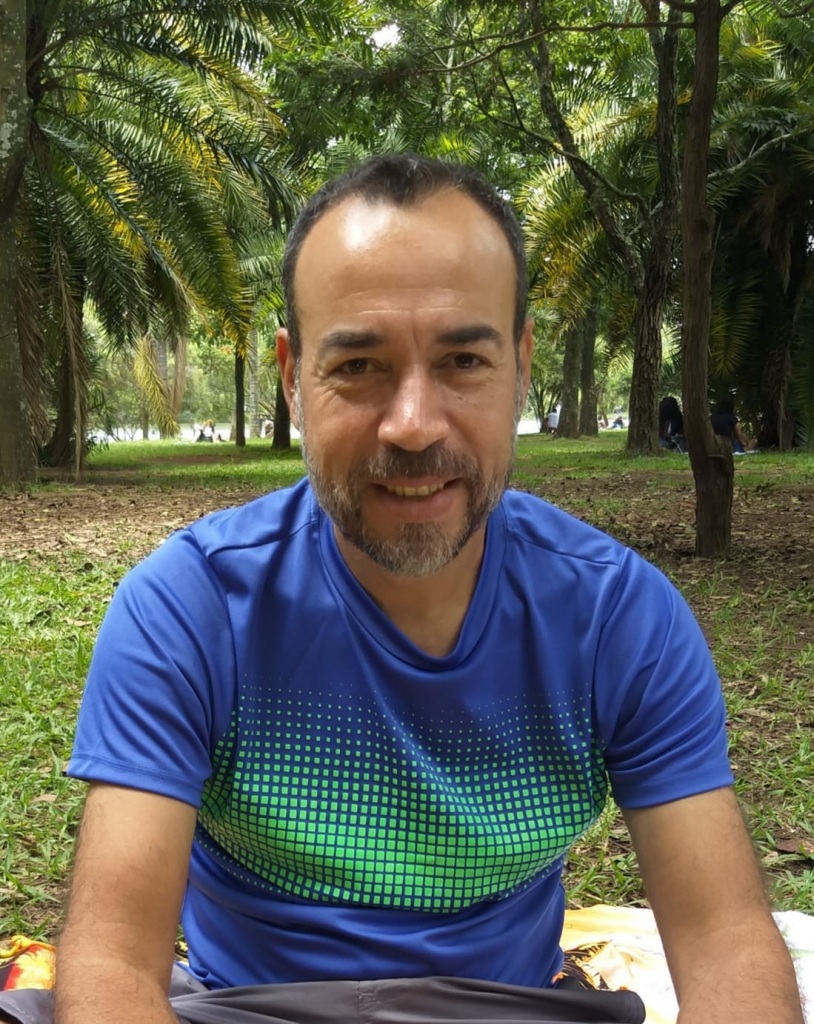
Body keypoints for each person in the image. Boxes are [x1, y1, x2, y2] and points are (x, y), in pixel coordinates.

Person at [0, 155, 802, 1024]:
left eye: (463, 359)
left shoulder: (620, 619)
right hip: (248, 1007)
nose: (413, 426)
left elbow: (725, 942)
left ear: (521, 363)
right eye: (359, 365)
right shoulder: (188, 611)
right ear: (293, 379)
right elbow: (115, 960)